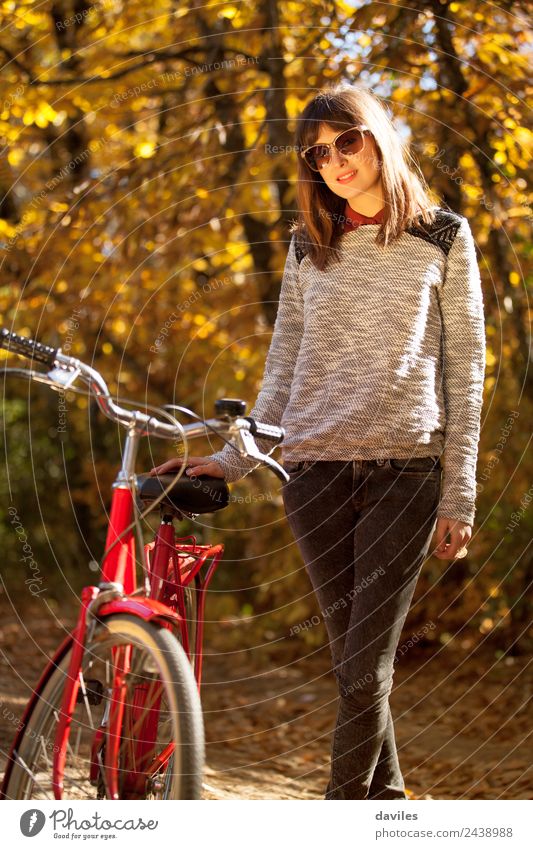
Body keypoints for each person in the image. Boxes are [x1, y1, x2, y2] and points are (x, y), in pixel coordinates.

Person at [150, 82, 486, 799]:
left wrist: (459, 491)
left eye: (346, 140)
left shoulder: (444, 237)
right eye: (317, 153)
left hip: (406, 472)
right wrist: (234, 457)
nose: (333, 160)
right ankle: (385, 802)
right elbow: (282, 369)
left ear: (377, 136)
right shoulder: (309, 246)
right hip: (313, 476)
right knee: (352, 665)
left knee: (363, 668)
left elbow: (466, 369)